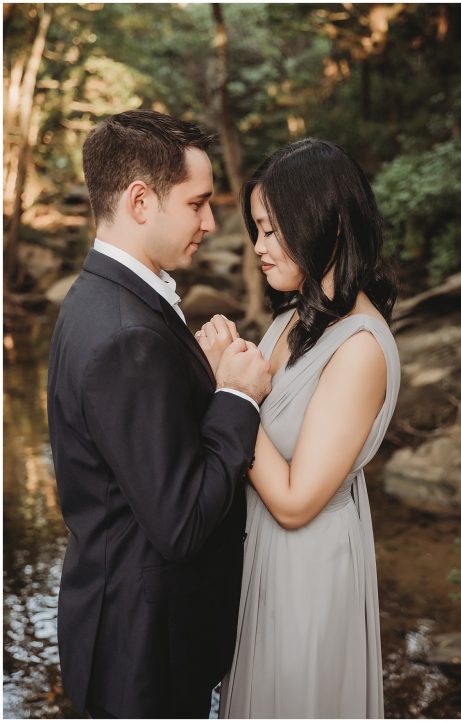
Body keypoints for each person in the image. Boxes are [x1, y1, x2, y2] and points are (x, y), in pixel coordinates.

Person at [47, 109, 272, 718]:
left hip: (123, 623)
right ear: (141, 202)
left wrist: (191, 375)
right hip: (143, 651)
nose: (210, 221)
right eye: (198, 203)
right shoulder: (127, 335)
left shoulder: (95, 298)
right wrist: (236, 396)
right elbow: (181, 522)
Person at [217, 138, 400, 718]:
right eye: (256, 229)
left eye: (272, 230)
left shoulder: (361, 348)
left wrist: (232, 393)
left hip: (309, 569)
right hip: (262, 550)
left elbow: (295, 500)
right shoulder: (293, 320)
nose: (258, 246)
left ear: (332, 225)